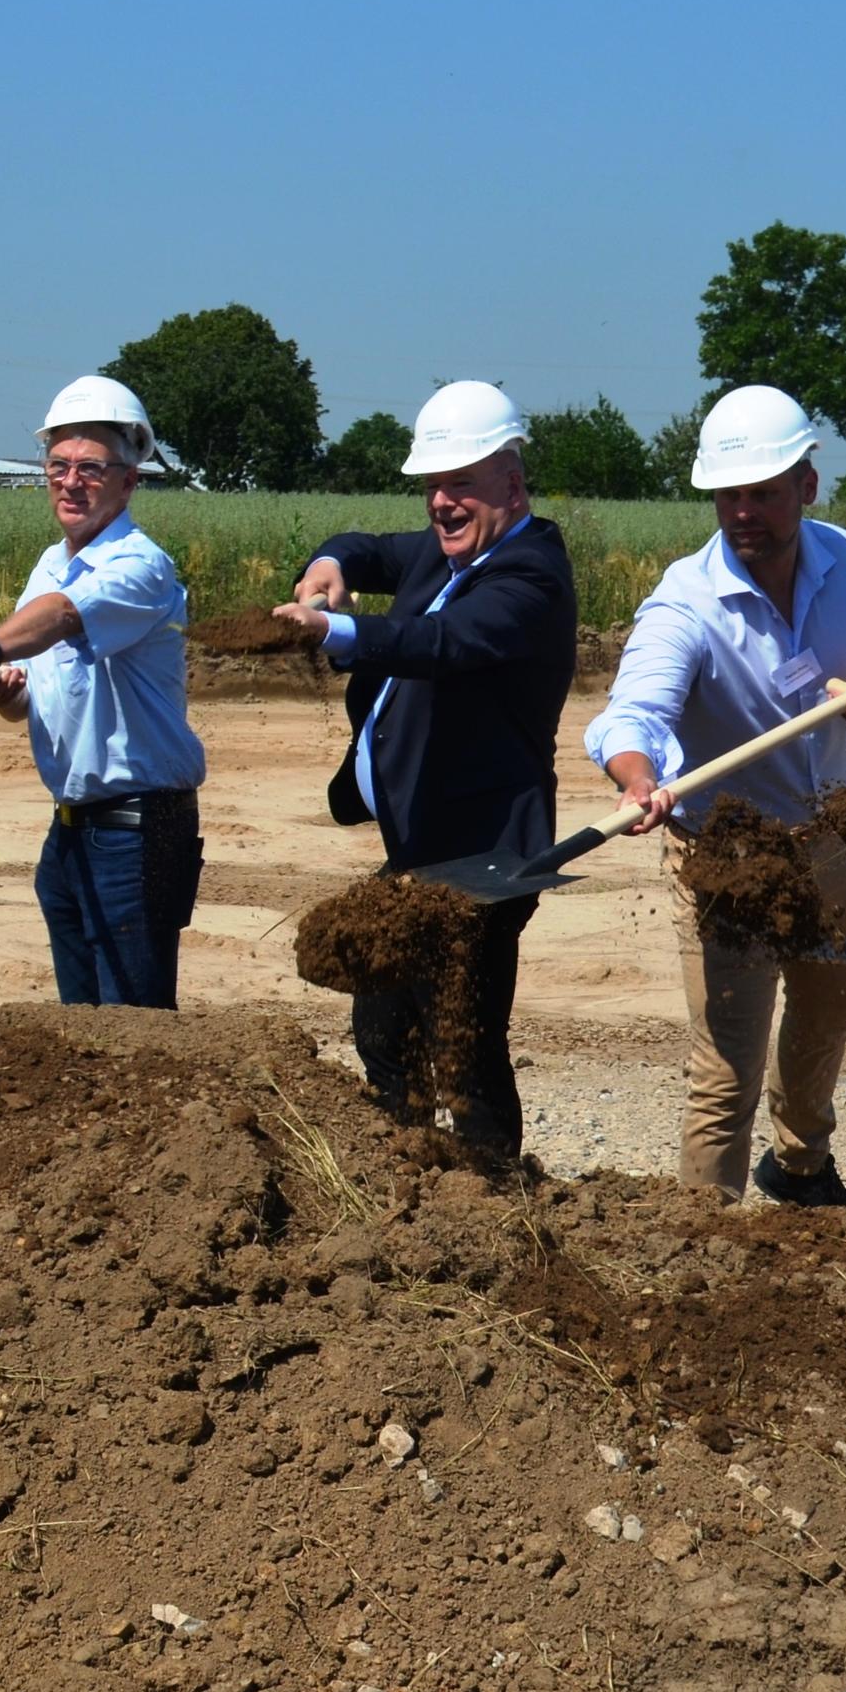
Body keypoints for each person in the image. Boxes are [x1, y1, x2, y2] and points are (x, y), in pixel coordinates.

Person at [586, 385, 846, 1208]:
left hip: (829, 833)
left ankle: (799, 1165)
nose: (743, 512)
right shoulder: (687, 601)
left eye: (762, 493)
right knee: (726, 1067)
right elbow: (630, 715)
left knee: (833, 1004)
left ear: (806, 487)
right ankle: (704, 1232)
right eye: (729, 495)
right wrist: (638, 777)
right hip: (722, 851)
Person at [268, 380, 578, 1153]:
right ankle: (407, 1172)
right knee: (385, 1026)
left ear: (511, 480)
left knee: (461, 1042)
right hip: (421, 848)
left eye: (460, 484)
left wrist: (333, 629)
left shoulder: (530, 575)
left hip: (488, 855)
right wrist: (330, 563)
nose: (441, 503)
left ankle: (492, 1195)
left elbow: (443, 647)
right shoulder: (444, 555)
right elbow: (367, 547)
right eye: (433, 486)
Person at [0, 376, 206, 1006]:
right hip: (72, 829)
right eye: (58, 465)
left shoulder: (140, 566)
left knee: (133, 1028)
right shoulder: (51, 564)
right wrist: (7, 693)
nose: (70, 481)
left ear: (129, 480)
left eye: (90, 468)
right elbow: (48, 697)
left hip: (138, 827)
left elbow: (65, 616)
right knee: (79, 1033)